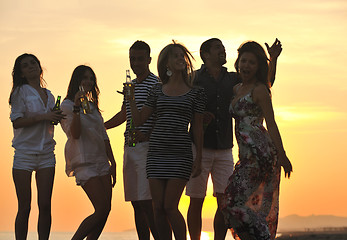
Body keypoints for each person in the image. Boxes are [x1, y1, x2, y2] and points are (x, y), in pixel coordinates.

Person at [186, 38, 282, 240]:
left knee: (226, 202)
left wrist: (272, 60)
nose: (223, 51)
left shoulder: (232, 80)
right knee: (198, 200)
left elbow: (263, 82)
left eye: (223, 47)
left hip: (231, 149)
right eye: (217, 48)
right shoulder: (194, 78)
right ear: (205, 54)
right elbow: (181, 99)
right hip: (201, 147)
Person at [125, 42, 206, 240]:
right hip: (156, 154)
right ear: (166, 63)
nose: (181, 59)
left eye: (182, 55)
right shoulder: (157, 90)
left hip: (180, 154)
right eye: (176, 56)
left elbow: (197, 127)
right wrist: (131, 98)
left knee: (170, 206)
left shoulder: (196, 92)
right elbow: (139, 120)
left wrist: (199, 158)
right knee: (157, 207)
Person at [220, 41, 292, 240]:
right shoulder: (237, 89)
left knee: (232, 202)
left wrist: (283, 155)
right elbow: (269, 80)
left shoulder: (260, 91)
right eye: (243, 61)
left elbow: (272, 123)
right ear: (238, 62)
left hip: (260, 154)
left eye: (252, 62)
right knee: (233, 204)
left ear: (259, 66)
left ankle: (263, 236)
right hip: (245, 156)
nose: (246, 65)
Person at [104, 40, 160, 240]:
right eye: (132, 59)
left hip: (147, 148)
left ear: (149, 60)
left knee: (148, 202)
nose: (136, 63)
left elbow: (161, 114)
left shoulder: (157, 84)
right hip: (130, 146)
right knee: (136, 202)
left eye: (140, 59)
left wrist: (149, 134)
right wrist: (101, 127)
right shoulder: (131, 86)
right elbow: (124, 114)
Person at [9, 53, 65, 240]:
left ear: (40, 68)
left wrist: (55, 117)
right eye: (25, 65)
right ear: (21, 73)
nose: (31, 66)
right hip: (24, 154)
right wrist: (44, 117)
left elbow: (50, 122)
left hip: (47, 153)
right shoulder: (20, 92)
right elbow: (17, 121)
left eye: (33, 63)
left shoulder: (49, 95)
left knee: (45, 205)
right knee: (25, 206)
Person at [60, 65, 116, 240]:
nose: (88, 81)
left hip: (101, 160)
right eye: (85, 78)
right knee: (101, 209)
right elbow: (74, 133)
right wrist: (76, 107)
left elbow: (103, 135)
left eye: (91, 78)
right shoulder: (67, 106)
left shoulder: (92, 106)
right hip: (84, 160)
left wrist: (112, 162)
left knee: (105, 210)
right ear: (77, 80)